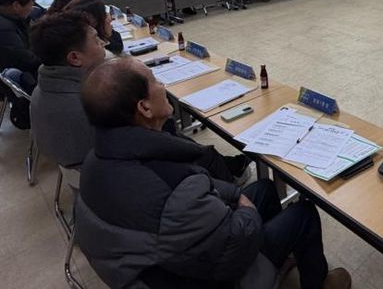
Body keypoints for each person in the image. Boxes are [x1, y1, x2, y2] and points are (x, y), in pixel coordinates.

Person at [75, 58, 350, 289]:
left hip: (160, 263)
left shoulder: (97, 159)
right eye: (156, 81)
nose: (163, 86)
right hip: (202, 278)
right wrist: (246, 211)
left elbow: (193, 194)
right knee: (303, 214)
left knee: (265, 189)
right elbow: (233, 247)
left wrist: (237, 195)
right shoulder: (170, 185)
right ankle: (316, 282)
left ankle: (278, 258)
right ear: (144, 108)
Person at [29, 11, 107, 168]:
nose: (103, 43)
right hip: (104, 174)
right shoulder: (89, 105)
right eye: (96, 40)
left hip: (74, 169)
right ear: (75, 58)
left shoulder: (45, 85)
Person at [0, 0, 41, 76]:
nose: (32, 8)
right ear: (16, 5)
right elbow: (26, 61)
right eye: (31, 5)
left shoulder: (13, 18)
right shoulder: (4, 29)